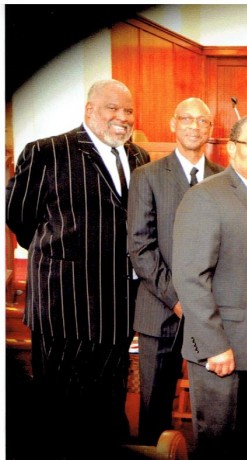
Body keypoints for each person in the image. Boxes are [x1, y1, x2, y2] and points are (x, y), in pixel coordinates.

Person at [5, 79, 150, 459]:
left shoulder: (139, 157)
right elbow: (20, 220)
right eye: (112, 108)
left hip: (118, 310)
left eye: (128, 110)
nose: (122, 118)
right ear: (89, 111)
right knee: (61, 411)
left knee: (108, 407)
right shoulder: (47, 152)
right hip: (64, 309)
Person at [171, 114, 247, 459]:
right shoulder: (205, 197)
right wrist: (214, 345)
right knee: (220, 447)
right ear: (232, 149)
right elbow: (190, 278)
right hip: (223, 352)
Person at [127, 97, 224, 445]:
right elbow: (140, 247)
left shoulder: (224, 179)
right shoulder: (148, 176)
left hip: (211, 315)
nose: (194, 126)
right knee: (154, 408)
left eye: (202, 120)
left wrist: (201, 304)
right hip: (160, 311)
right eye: (186, 118)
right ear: (173, 123)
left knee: (212, 406)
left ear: (210, 130)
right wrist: (178, 299)